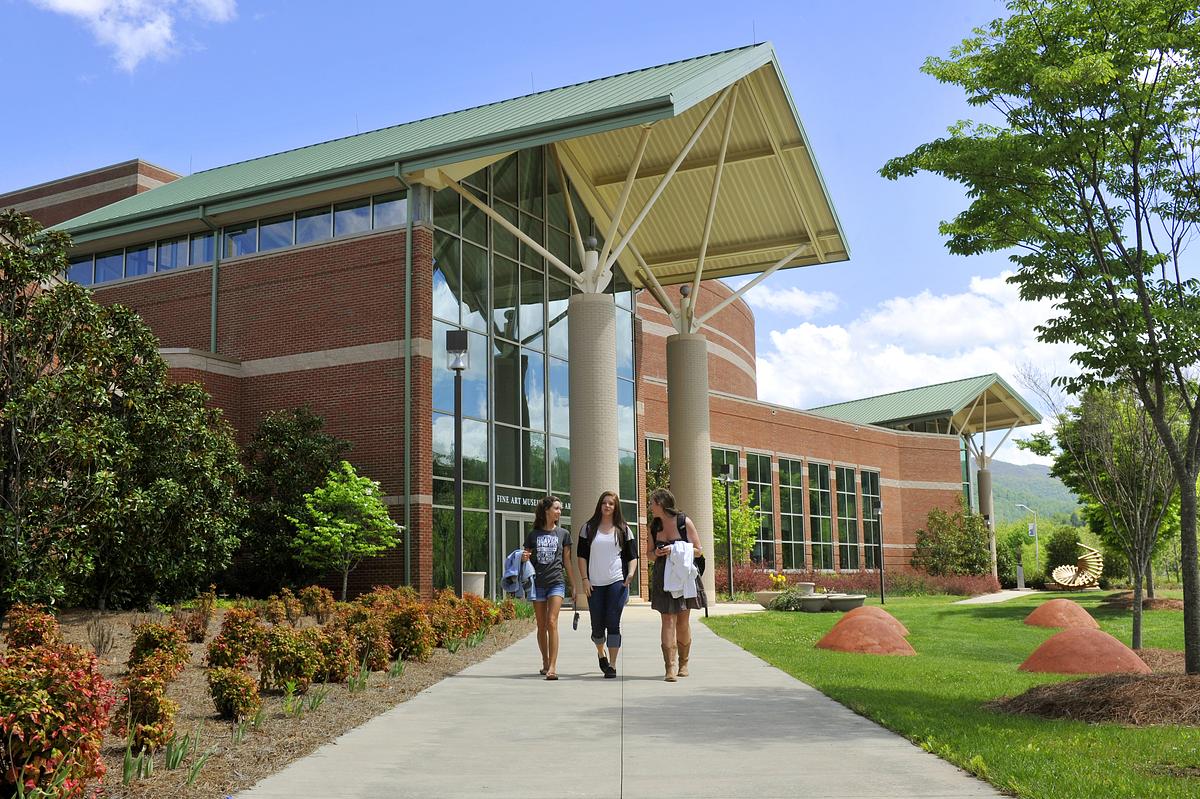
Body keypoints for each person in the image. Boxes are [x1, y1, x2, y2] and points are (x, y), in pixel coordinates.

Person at [575, 491, 638, 679]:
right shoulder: (588, 528)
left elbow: (632, 556)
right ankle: (600, 653)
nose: (607, 506)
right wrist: (584, 579)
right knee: (597, 626)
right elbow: (581, 556)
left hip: (616, 582)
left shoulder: (624, 529)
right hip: (594, 584)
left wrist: (631, 574)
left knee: (613, 623)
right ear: (599, 505)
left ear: (616, 507)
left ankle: (612, 665)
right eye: (604, 503)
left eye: (611, 503)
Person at [648, 488, 702, 682]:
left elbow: (698, 550)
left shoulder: (683, 522)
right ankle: (669, 667)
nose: (650, 506)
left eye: (652, 503)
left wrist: (677, 549)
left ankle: (684, 663)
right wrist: (658, 554)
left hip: (684, 576)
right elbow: (649, 554)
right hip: (663, 576)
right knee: (667, 620)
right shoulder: (654, 526)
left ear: (661, 503)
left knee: (682, 621)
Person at [522, 495, 577, 680]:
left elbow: (567, 562)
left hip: (556, 582)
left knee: (552, 622)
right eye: (556, 508)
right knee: (541, 625)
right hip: (537, 584)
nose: (559, 511)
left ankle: (553, 666)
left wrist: (574, 585)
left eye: (560, 508)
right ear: (547, 511)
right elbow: (526, 560)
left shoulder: (564, 534)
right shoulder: (533, 535)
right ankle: (545, 661)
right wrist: (523, 558)